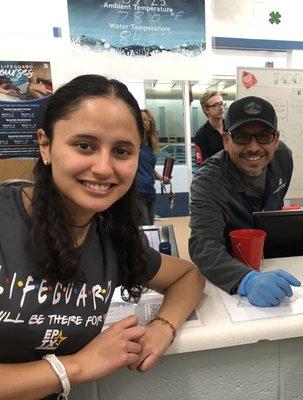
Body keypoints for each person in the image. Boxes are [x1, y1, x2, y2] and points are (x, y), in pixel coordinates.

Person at [0, 74, 205, 399]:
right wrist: (77, 366)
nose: (103, 167)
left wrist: (162, 328)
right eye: (84, 146)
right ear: (45, 145)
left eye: (122, 151)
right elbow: (81, 365)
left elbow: (188, 277)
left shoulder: (111, 238)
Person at [189, 96, 301, 307]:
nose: (253, 147)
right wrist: (246, 280)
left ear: (275, 139)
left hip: (269, 264)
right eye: (241, 137)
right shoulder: (208, 180)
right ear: (226, 140)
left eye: (264, 136)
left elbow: (274, 209)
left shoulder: (283, 157)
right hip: (227, 276)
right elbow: (203, 245)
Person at [135, 108, 169, 225]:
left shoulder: (150, 147)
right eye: (141, 119)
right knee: (144, 227)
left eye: (147, 119)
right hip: (136, 193)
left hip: (150, 191)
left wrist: (161, 177)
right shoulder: (133, 144)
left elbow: (149, 169)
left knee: (150, 227)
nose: (144, 122)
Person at [193, 91, 225, 164]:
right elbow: (201, 163)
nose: (221, 108)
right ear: (206, 110)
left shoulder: (232, 127)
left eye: (221, 104)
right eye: (216, 105)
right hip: (215, 174)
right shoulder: (200, 135)